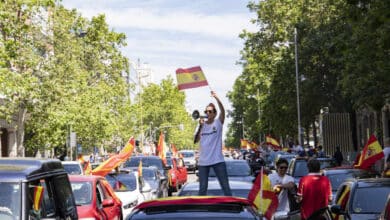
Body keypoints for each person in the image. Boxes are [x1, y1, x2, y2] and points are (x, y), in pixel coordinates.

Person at [194, 91, 232, 196]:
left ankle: (231, 209)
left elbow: (223, 111)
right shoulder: (201, 125)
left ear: (214, 113)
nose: (207, 113)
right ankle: (201, 210)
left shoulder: (218, 123)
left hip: (217, 160)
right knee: (202, 189)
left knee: (225, 187)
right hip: (203, 162)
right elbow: (195, 140)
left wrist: (217, 98)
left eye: (210, 111)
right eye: (206, 111)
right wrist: (201, 127)